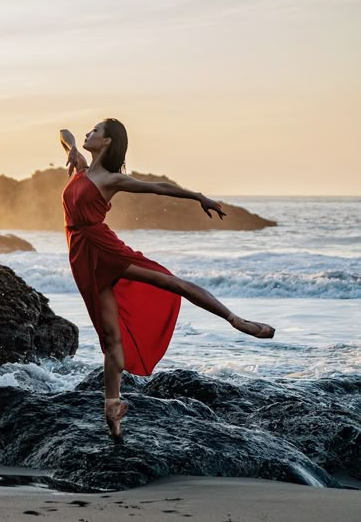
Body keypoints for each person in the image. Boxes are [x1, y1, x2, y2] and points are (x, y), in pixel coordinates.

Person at [60, 118, 275, 441]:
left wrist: (197, 196)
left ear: (107, 142)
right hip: (80, 253)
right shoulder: (79, 168)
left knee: (171, 283)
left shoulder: (111, 179)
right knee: (110, 336)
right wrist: (73, 147)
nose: (88, 132)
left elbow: (157, 188)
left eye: (95, 131)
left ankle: (235, 319)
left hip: (103, 250)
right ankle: (112, 408)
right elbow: (63, 133)